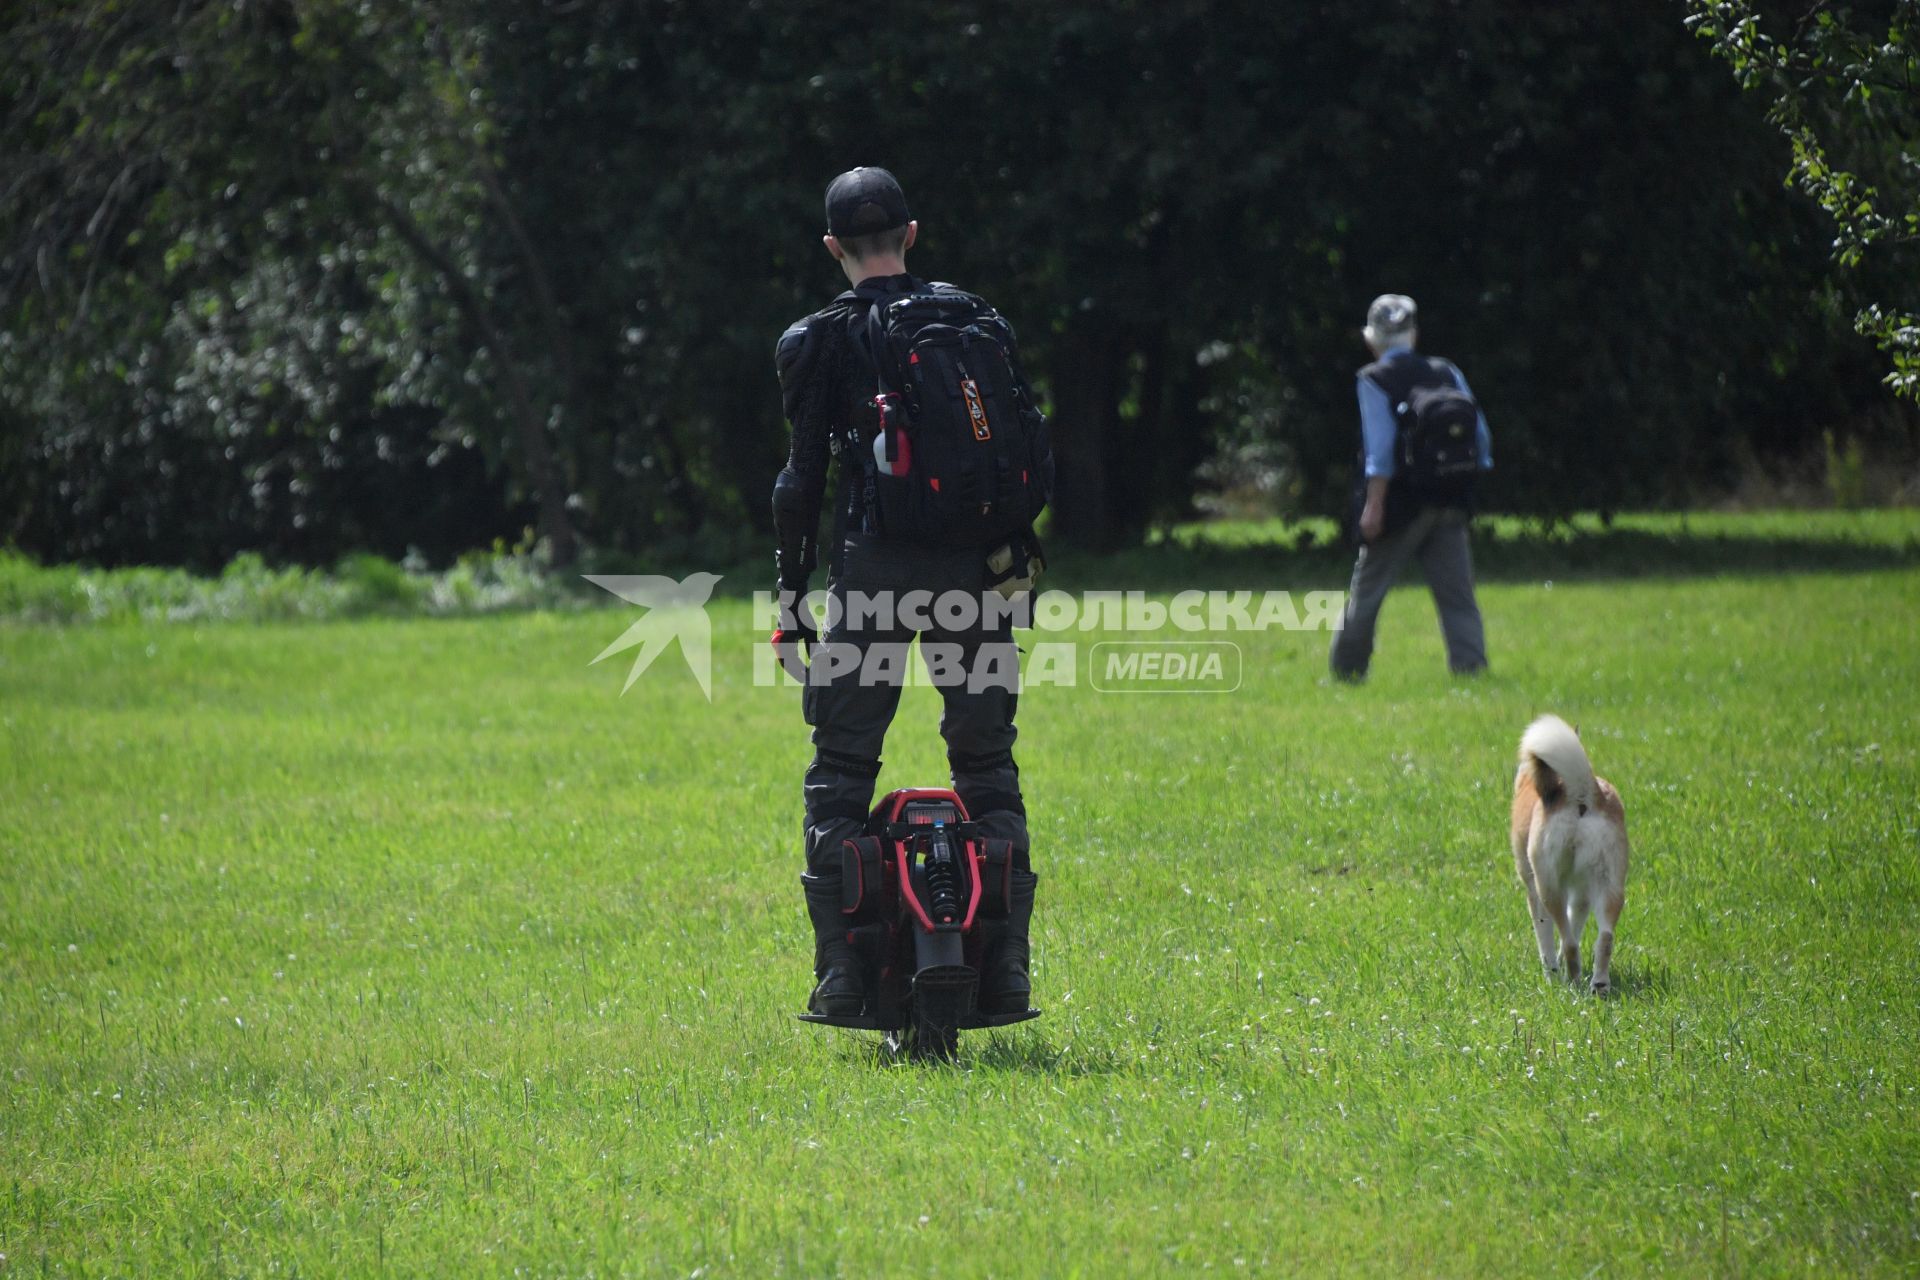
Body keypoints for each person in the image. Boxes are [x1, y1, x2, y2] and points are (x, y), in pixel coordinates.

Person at [770, 167, 1052, 1018]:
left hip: (877, 574)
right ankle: (1006, 970)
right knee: (988, 770)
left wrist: (790, 602)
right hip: (980, 574)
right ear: (912, 236)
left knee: (842, 773)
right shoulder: (977, 321)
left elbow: (801, 481)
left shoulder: (817, 339)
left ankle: (844, 973)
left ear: (832, 249)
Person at [1328, 294, 1492, 680]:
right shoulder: (1446, 372)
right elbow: (1481, 436)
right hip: (1450, 497)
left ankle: (1347, 672)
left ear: (1372, 341)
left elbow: (1380, 450)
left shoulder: (1373, 379)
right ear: (1413, 335)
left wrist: (1374, 506)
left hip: (1401, 504)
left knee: (1367, 592)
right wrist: (1469, 481)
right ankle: (1471, 670)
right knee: (1458, 597)